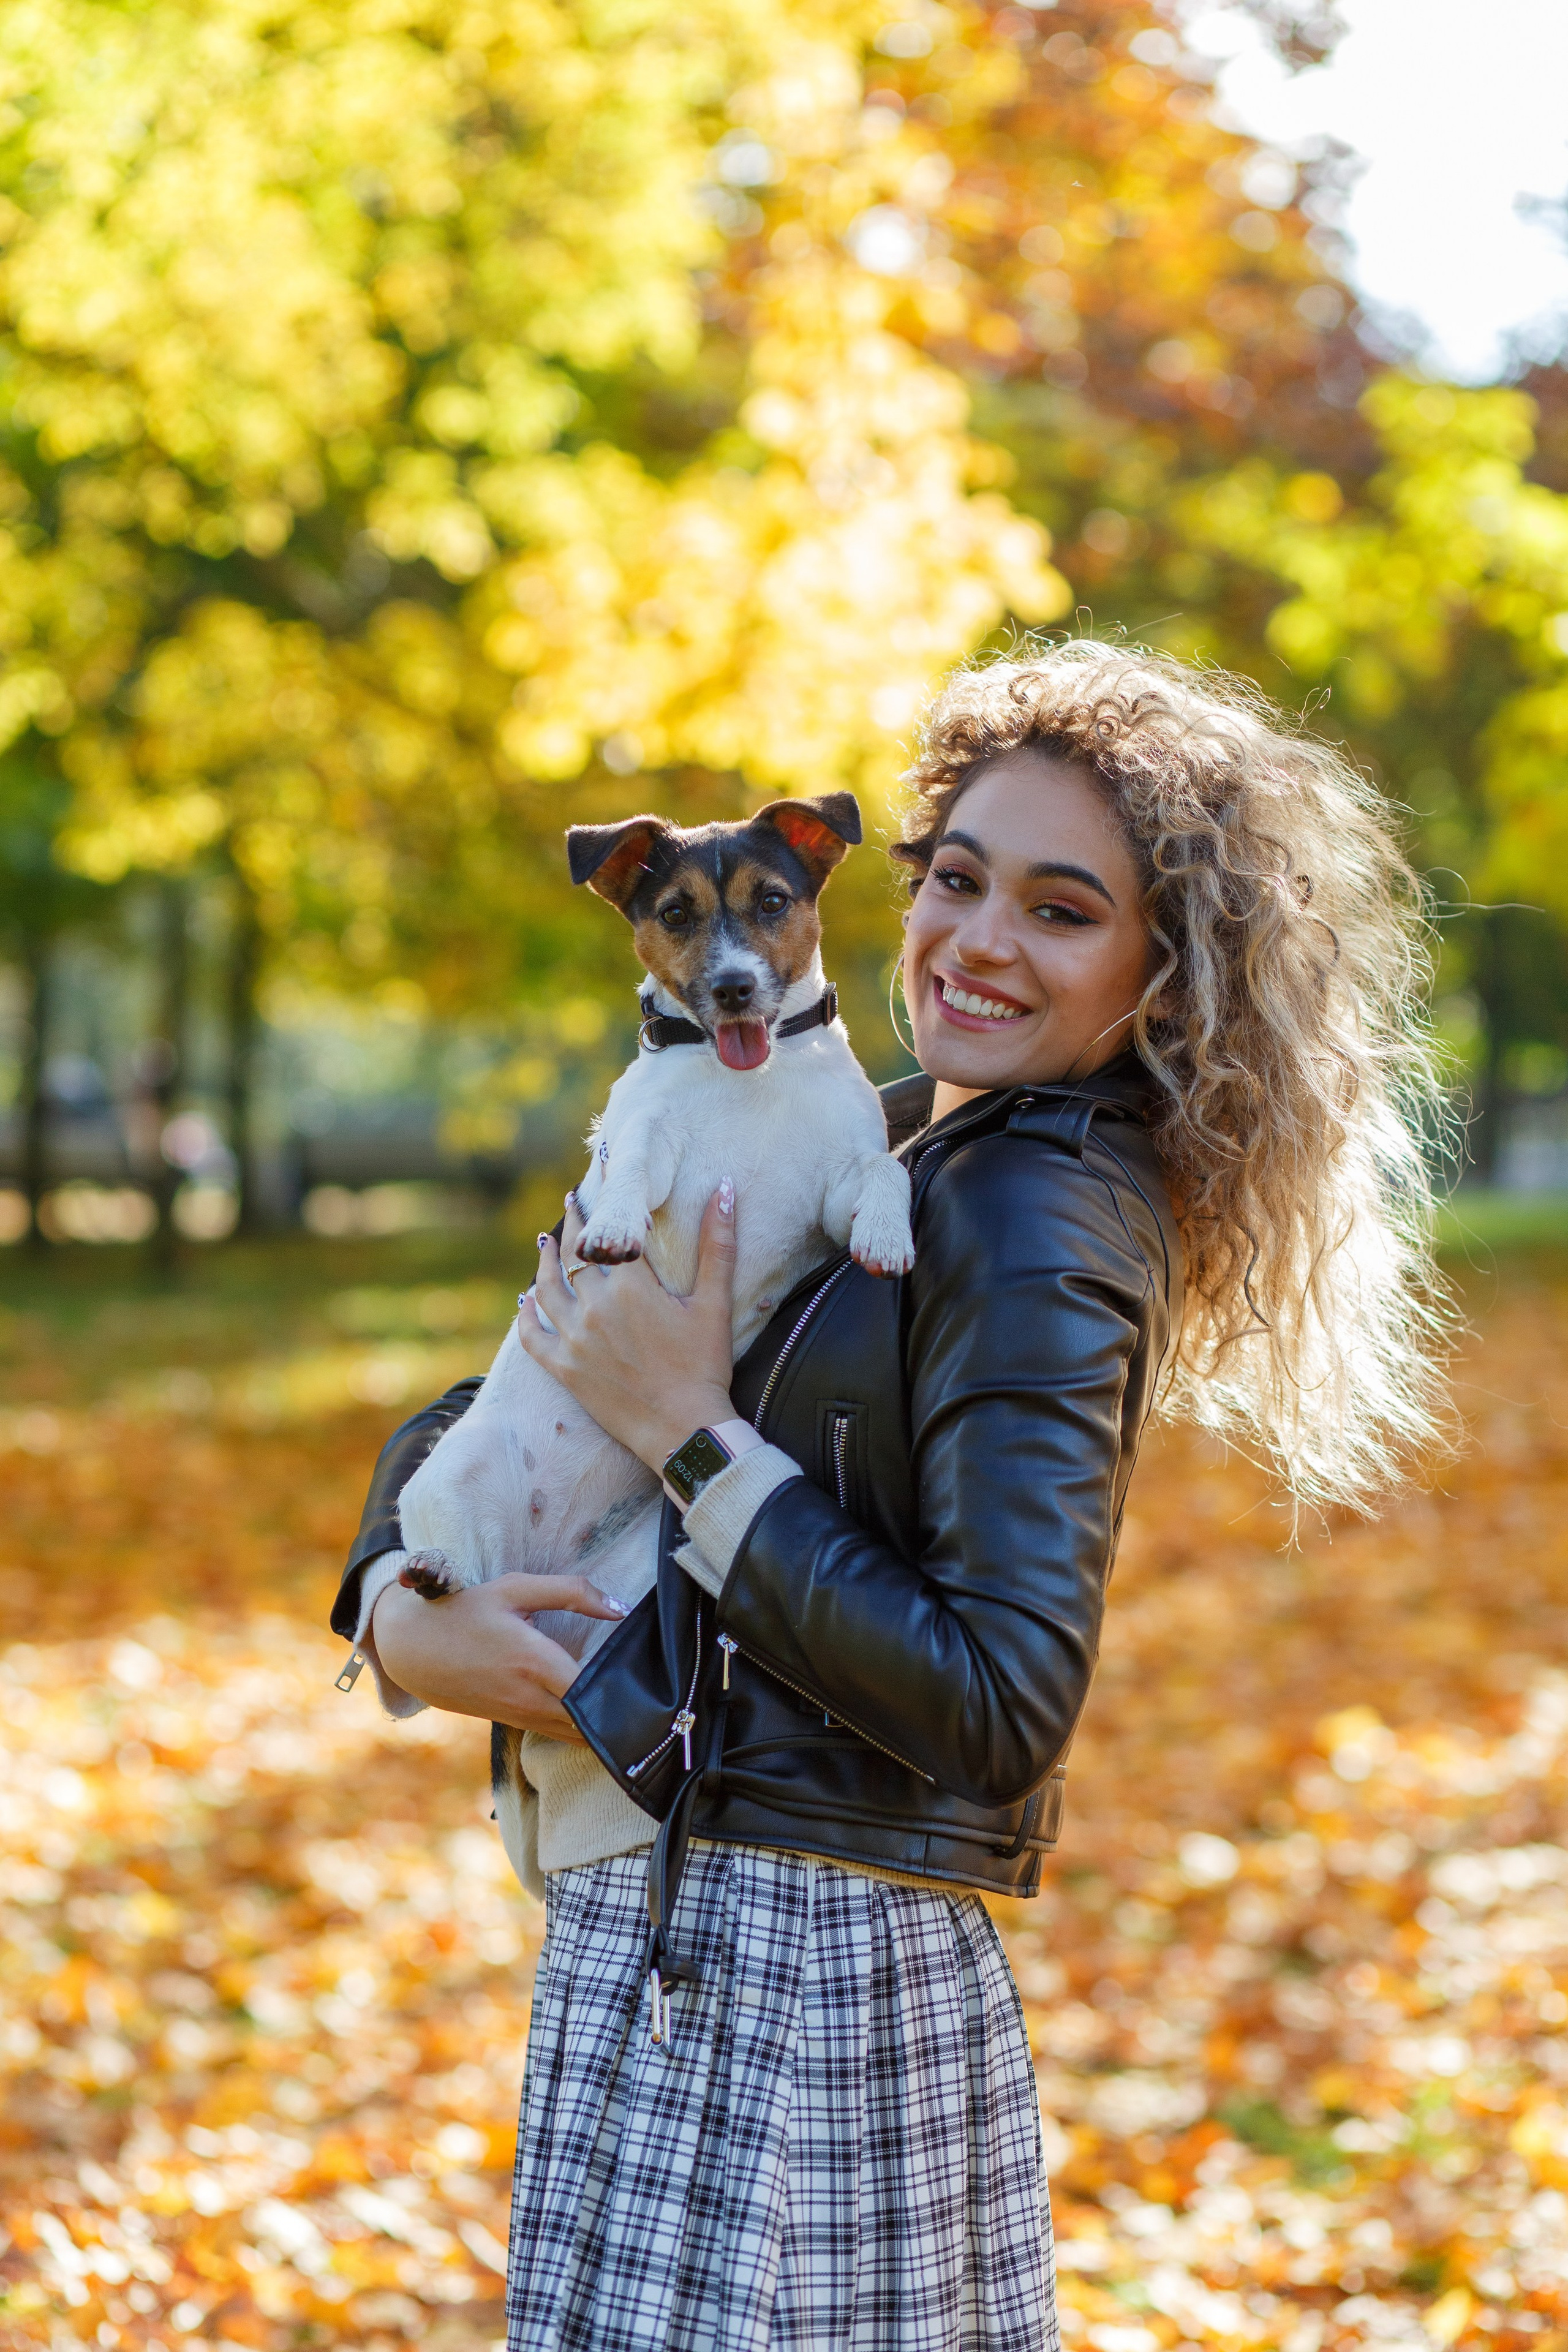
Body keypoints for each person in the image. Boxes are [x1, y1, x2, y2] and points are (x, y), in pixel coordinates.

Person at [331, 641, 1450, 2352]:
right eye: (959, 877)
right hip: (693, 1918)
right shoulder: (902, 1131)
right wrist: (401, 1612)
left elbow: (1003, 1700)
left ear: (1166, 974)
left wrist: (695, 1441)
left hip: (801, 1964)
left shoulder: (1038, 1217)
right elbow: (532, 1382)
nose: (983, 937)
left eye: (1064, 911)